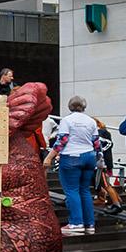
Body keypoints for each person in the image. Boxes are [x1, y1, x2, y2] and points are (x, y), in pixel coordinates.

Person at [46, 95, 102, 236]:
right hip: (89, 156)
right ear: (84, 106)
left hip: (71, 157)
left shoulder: (67, 120)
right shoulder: (91, 121)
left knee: (72, 190)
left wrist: (49, 157)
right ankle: (89, 224)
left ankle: (76, 223)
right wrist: (100, 159)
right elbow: (96, 142)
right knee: (85, 190)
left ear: (70, 107)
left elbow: (62, 140)